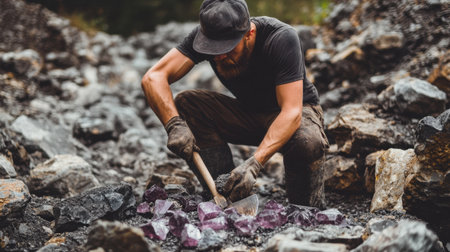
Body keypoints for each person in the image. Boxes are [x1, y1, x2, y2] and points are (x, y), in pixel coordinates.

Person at [141, 0, 329, 208]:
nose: (219, 55)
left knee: (307, 140)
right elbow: (153, 78)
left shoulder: (280, 38)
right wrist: (173, 124)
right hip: (249, 113)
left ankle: (306, 209)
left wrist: (254, 164)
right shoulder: (207, 36)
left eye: (228, 49)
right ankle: (226, 194)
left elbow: (292, 112)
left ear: (248, 33)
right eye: (212, 49)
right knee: (188, 104)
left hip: (295, 114)